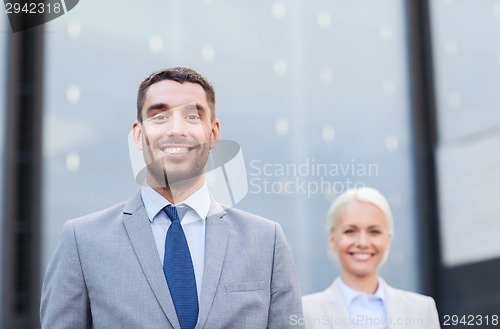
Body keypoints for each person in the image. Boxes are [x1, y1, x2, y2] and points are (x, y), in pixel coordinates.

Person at [40, 67, 304, 328]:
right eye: (159, 117)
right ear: (139, 134)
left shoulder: (266, 241)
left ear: (213, 133)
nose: (176, 130)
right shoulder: (82, 241)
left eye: (192, 117)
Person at [302, 187, 441, 329]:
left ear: (388, 240)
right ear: (332, 239)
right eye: (350, 231)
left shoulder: (421, 310)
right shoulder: (304, 312)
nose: (362, 243)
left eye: (374, 231)